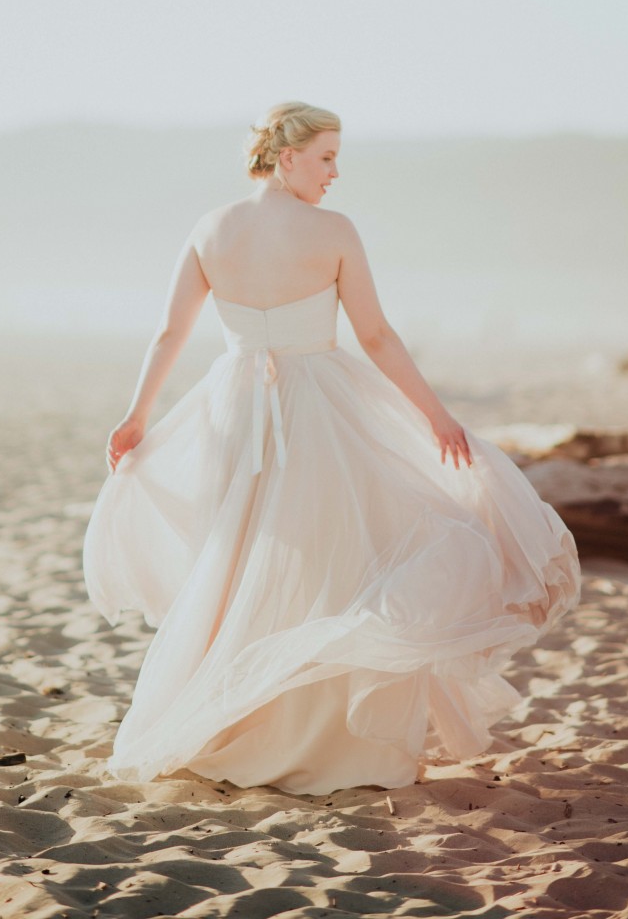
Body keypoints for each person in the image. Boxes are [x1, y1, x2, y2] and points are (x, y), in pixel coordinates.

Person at [82, 100, 581, 796]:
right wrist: (436, 417)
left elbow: (168, 334)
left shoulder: (210, 228)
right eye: (325, 157)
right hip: (315, 404)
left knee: (242, 558)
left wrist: (137, 415)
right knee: (329, 561)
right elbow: (375, 337)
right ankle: (329, 745)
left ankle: (231, 723)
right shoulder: (332, 231)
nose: (335, 172)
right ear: (285, 157)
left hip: (233, 404)